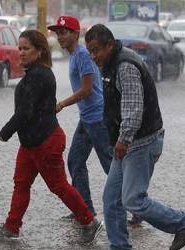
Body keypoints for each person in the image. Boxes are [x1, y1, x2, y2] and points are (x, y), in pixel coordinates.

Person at [84, 24, 185, 250]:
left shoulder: (125, 66)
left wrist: (122, 141)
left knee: (133, 200)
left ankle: (184, 224)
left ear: (109, 45)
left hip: (140, 142)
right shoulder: (110, 63)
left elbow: (134, 111)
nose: (94, 56)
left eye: (97, 50)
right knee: (111, 199)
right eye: (90, 51)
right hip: (127, 141)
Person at [0, 30, 103, 244]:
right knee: (21, 184)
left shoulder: (40, 76)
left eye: (26, 48)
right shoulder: (34, 73)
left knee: (58, 186)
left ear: (39, 51)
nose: (21, 52)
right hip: (30, 143)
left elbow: (25, 112)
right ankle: (11, 227)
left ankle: (89, 221)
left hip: (45, 142)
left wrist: (5, 132)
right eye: (19, 48)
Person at [47, 16, 112, 219]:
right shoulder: (75, 55)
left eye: (64, 32)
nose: (60, 37)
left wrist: (61, 104)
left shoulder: (83, 55)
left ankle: (136, 208)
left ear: (76, 34)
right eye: (57, 33)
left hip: (97, 119)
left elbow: (86, 90)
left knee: (111, 167)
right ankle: (84, 210)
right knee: (75, 161)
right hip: (87, 119)